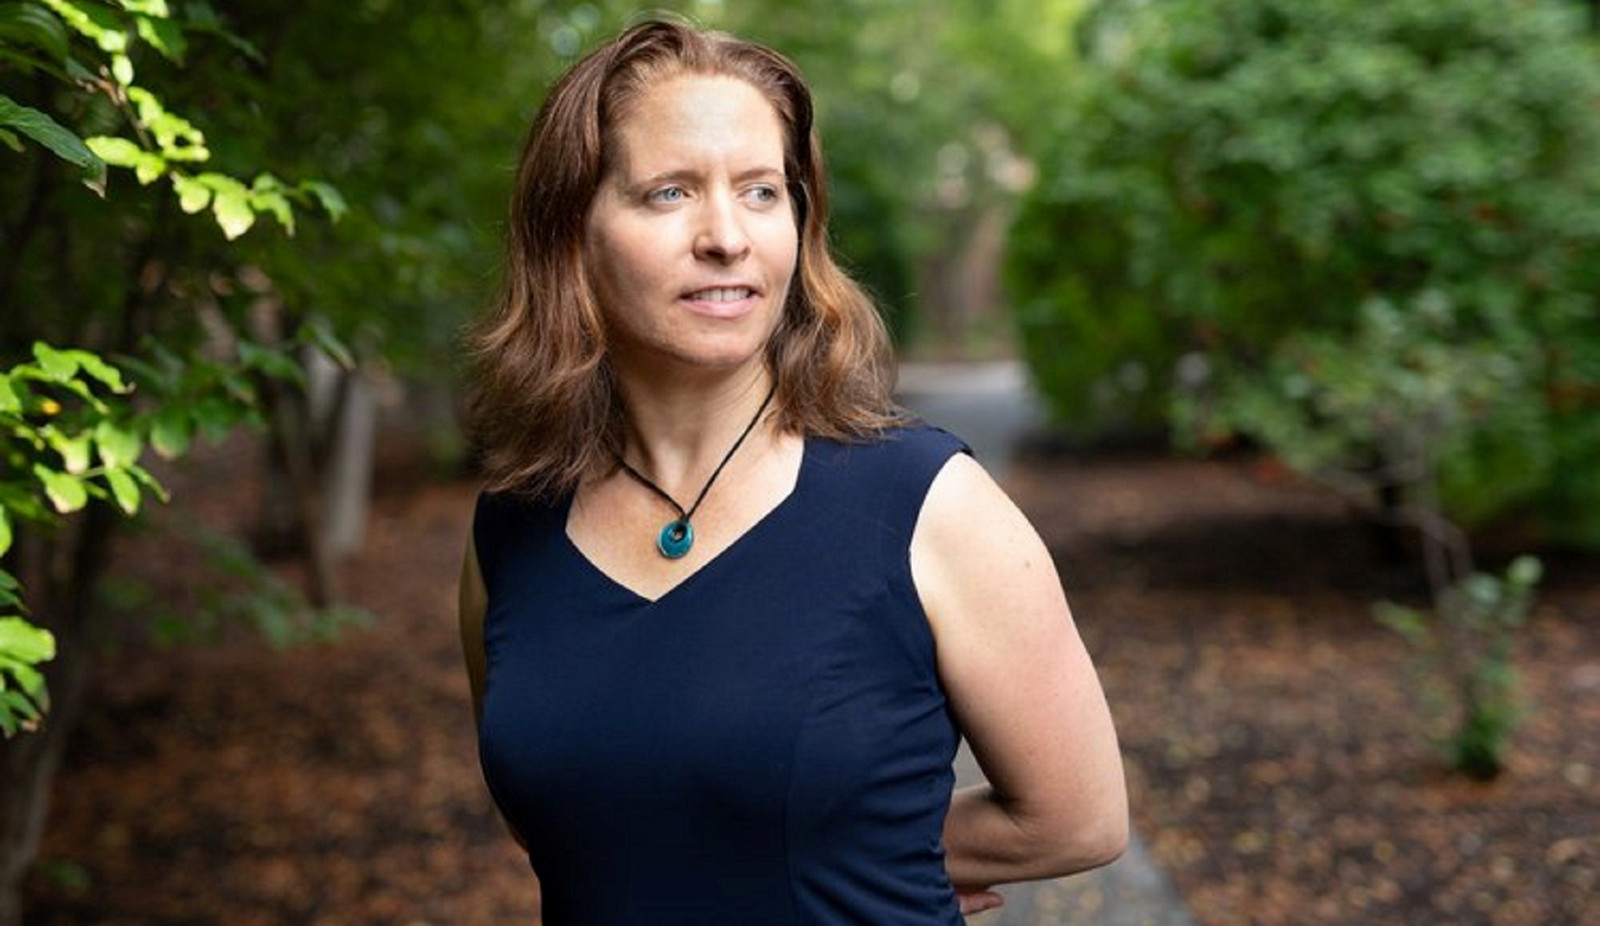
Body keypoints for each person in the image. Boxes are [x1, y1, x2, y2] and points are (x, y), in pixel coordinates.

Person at [458, 17, 1126, 924]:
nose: (726, 236)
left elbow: (1078, 820)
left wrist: (848, 844)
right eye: (668, 194)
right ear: (571, 233)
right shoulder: (511, 533)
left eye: (762, 191)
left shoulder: (927, 504)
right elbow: (557, 816)